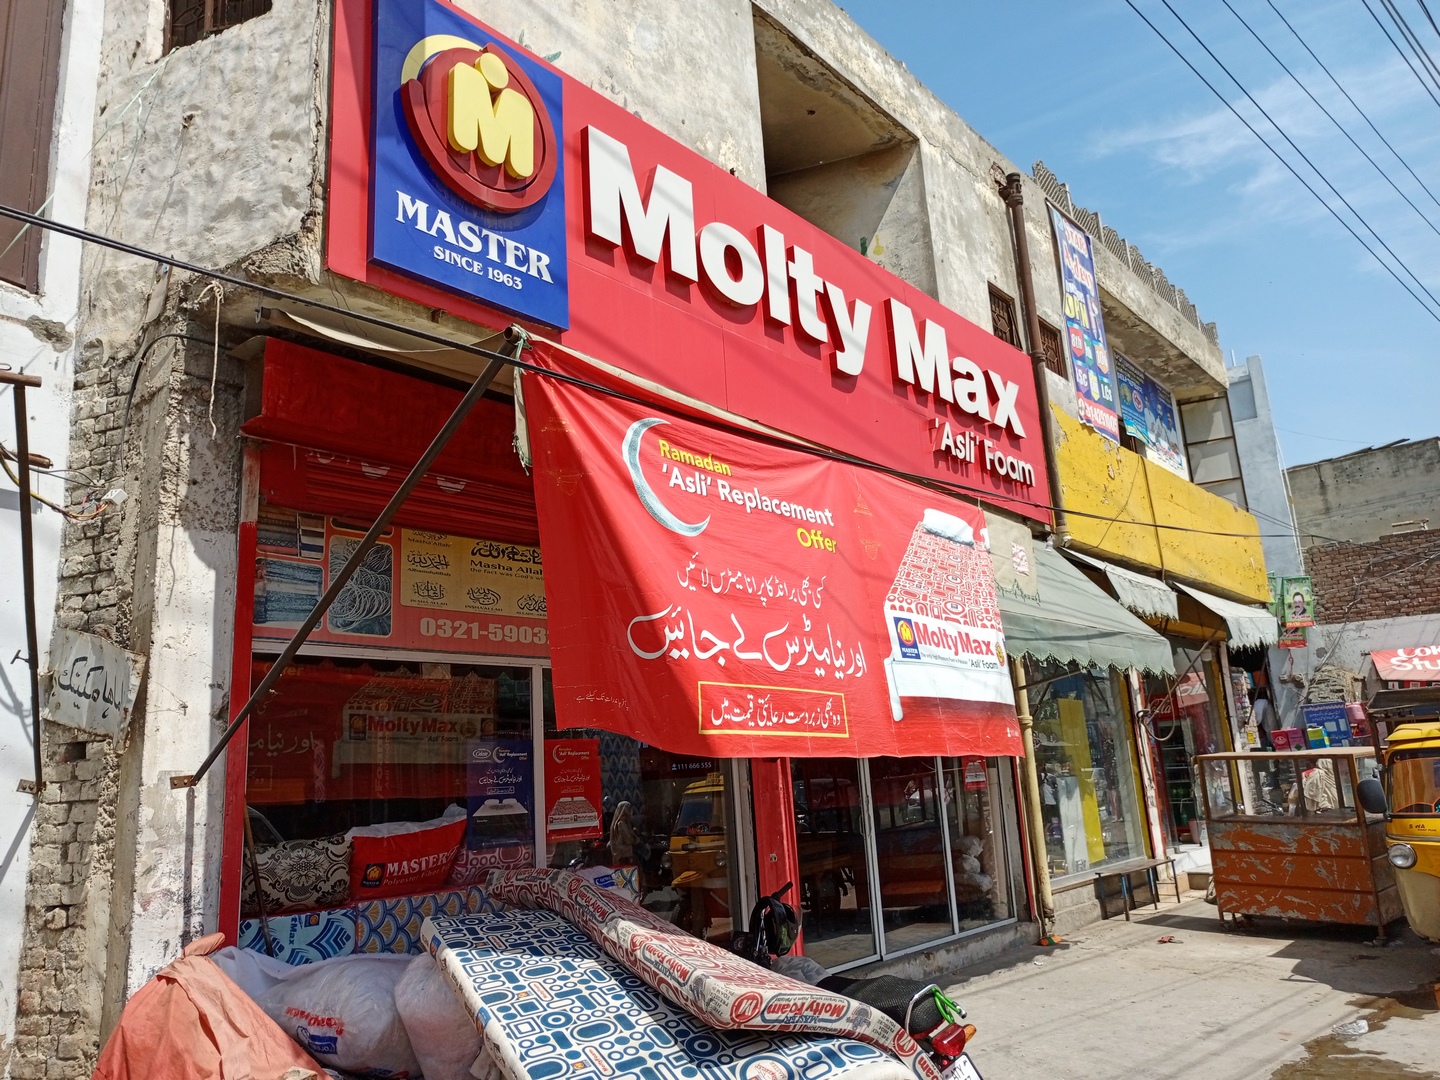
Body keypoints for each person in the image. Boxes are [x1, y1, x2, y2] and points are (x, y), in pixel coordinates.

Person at [608, 800, 637, 865]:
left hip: (621, 855)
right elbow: (629, 840)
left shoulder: (621, 823)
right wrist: (633, 834)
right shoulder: (622, 824)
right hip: (624, 856)